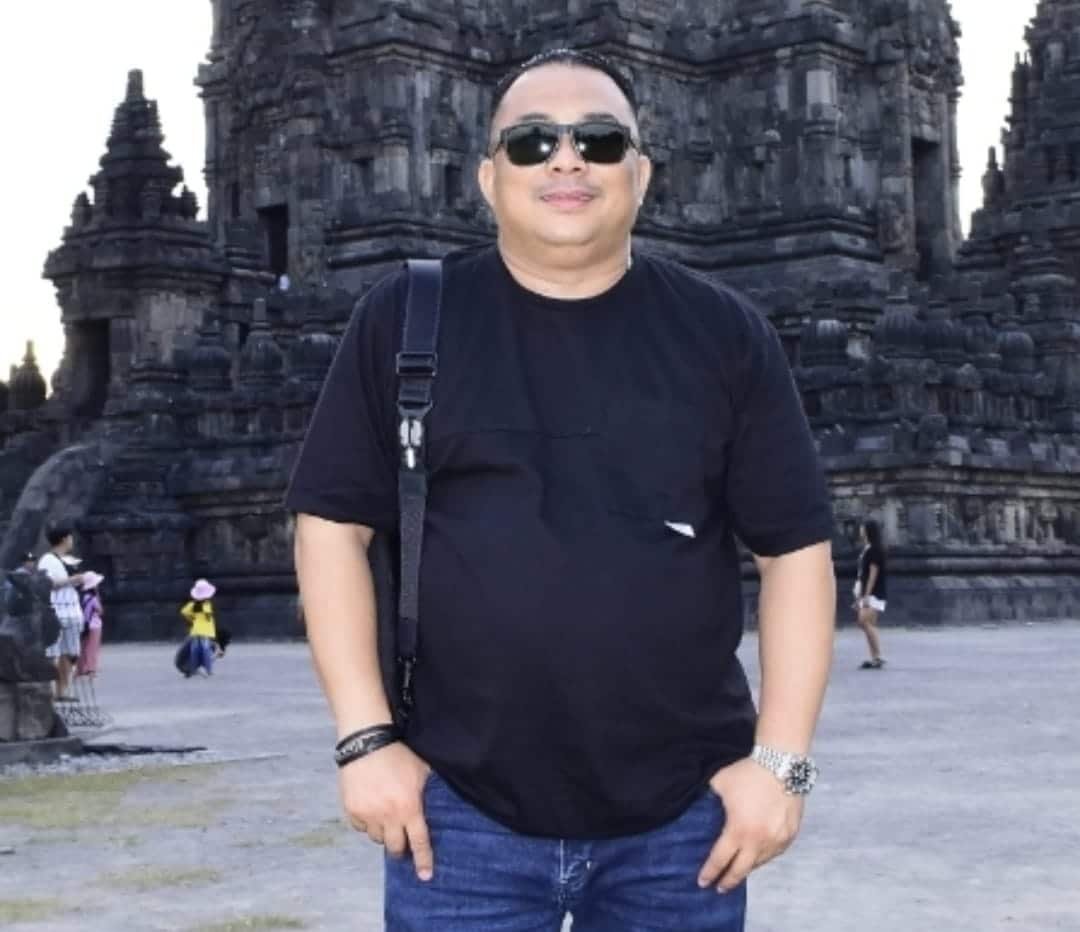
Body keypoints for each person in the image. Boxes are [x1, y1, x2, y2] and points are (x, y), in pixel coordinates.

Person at [287, 48, 836, 931]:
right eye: (533, 141)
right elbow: (330, 528)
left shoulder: (725, 334)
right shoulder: (405, 318)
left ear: (642, 173)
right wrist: (365, 741)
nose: (567, 161)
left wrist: (782, 764)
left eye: (601, 141)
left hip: (682, 818)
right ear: (487, 176)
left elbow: (796, 552)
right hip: (456, 812)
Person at [37, 524, 87, 702]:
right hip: (56, 609)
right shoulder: (47, 560)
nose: (72, 541)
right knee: (52, 653)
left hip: (72, 609)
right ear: (64, 539)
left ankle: (62, 690)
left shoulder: (70, 560)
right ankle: (47, 691)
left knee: (71, 652)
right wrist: (71, 580)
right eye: (70, 537)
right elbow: (47, 583)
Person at [853, 519, 888, 669]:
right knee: (868, 623)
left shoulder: (874, 550)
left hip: (874, 592)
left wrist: (867, 595)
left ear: (868, 531)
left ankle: (878, 655)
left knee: (864, 621)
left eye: (863, 528)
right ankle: (875, 657)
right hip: (868, 592)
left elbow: (873, 574)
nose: (860, 531)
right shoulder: (868, 549)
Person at [179, 579, 218, 677]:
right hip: (206, 631)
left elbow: (184, 612)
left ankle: (193, 669)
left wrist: (191, 619)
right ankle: (208, 670)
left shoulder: (192, 605)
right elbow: (208, 616)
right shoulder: (207, 604)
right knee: (206, 650)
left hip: (196, 630)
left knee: (194, 650)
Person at [75, 571, 106, 679]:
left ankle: (80, 668)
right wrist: (98, 596)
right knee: (93, 647)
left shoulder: (84, 597)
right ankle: (91, 669)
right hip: (95, 625)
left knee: (84, 646)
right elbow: (101, 611)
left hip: (85, 624)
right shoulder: (94, 598)